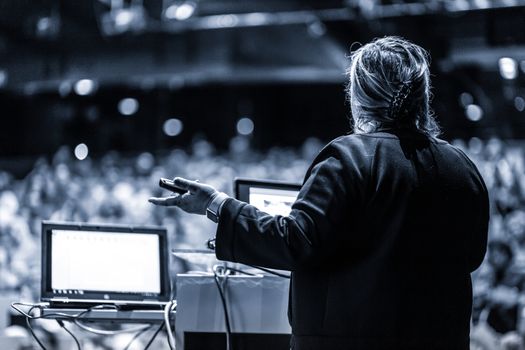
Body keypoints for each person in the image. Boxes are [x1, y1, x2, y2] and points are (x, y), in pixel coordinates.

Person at [149, 36, 489, 350]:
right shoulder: (460, 166)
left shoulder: (349, 157)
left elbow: (297, 241)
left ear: (359, 96)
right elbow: (472, 255)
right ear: (422, 95)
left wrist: (217, 204)